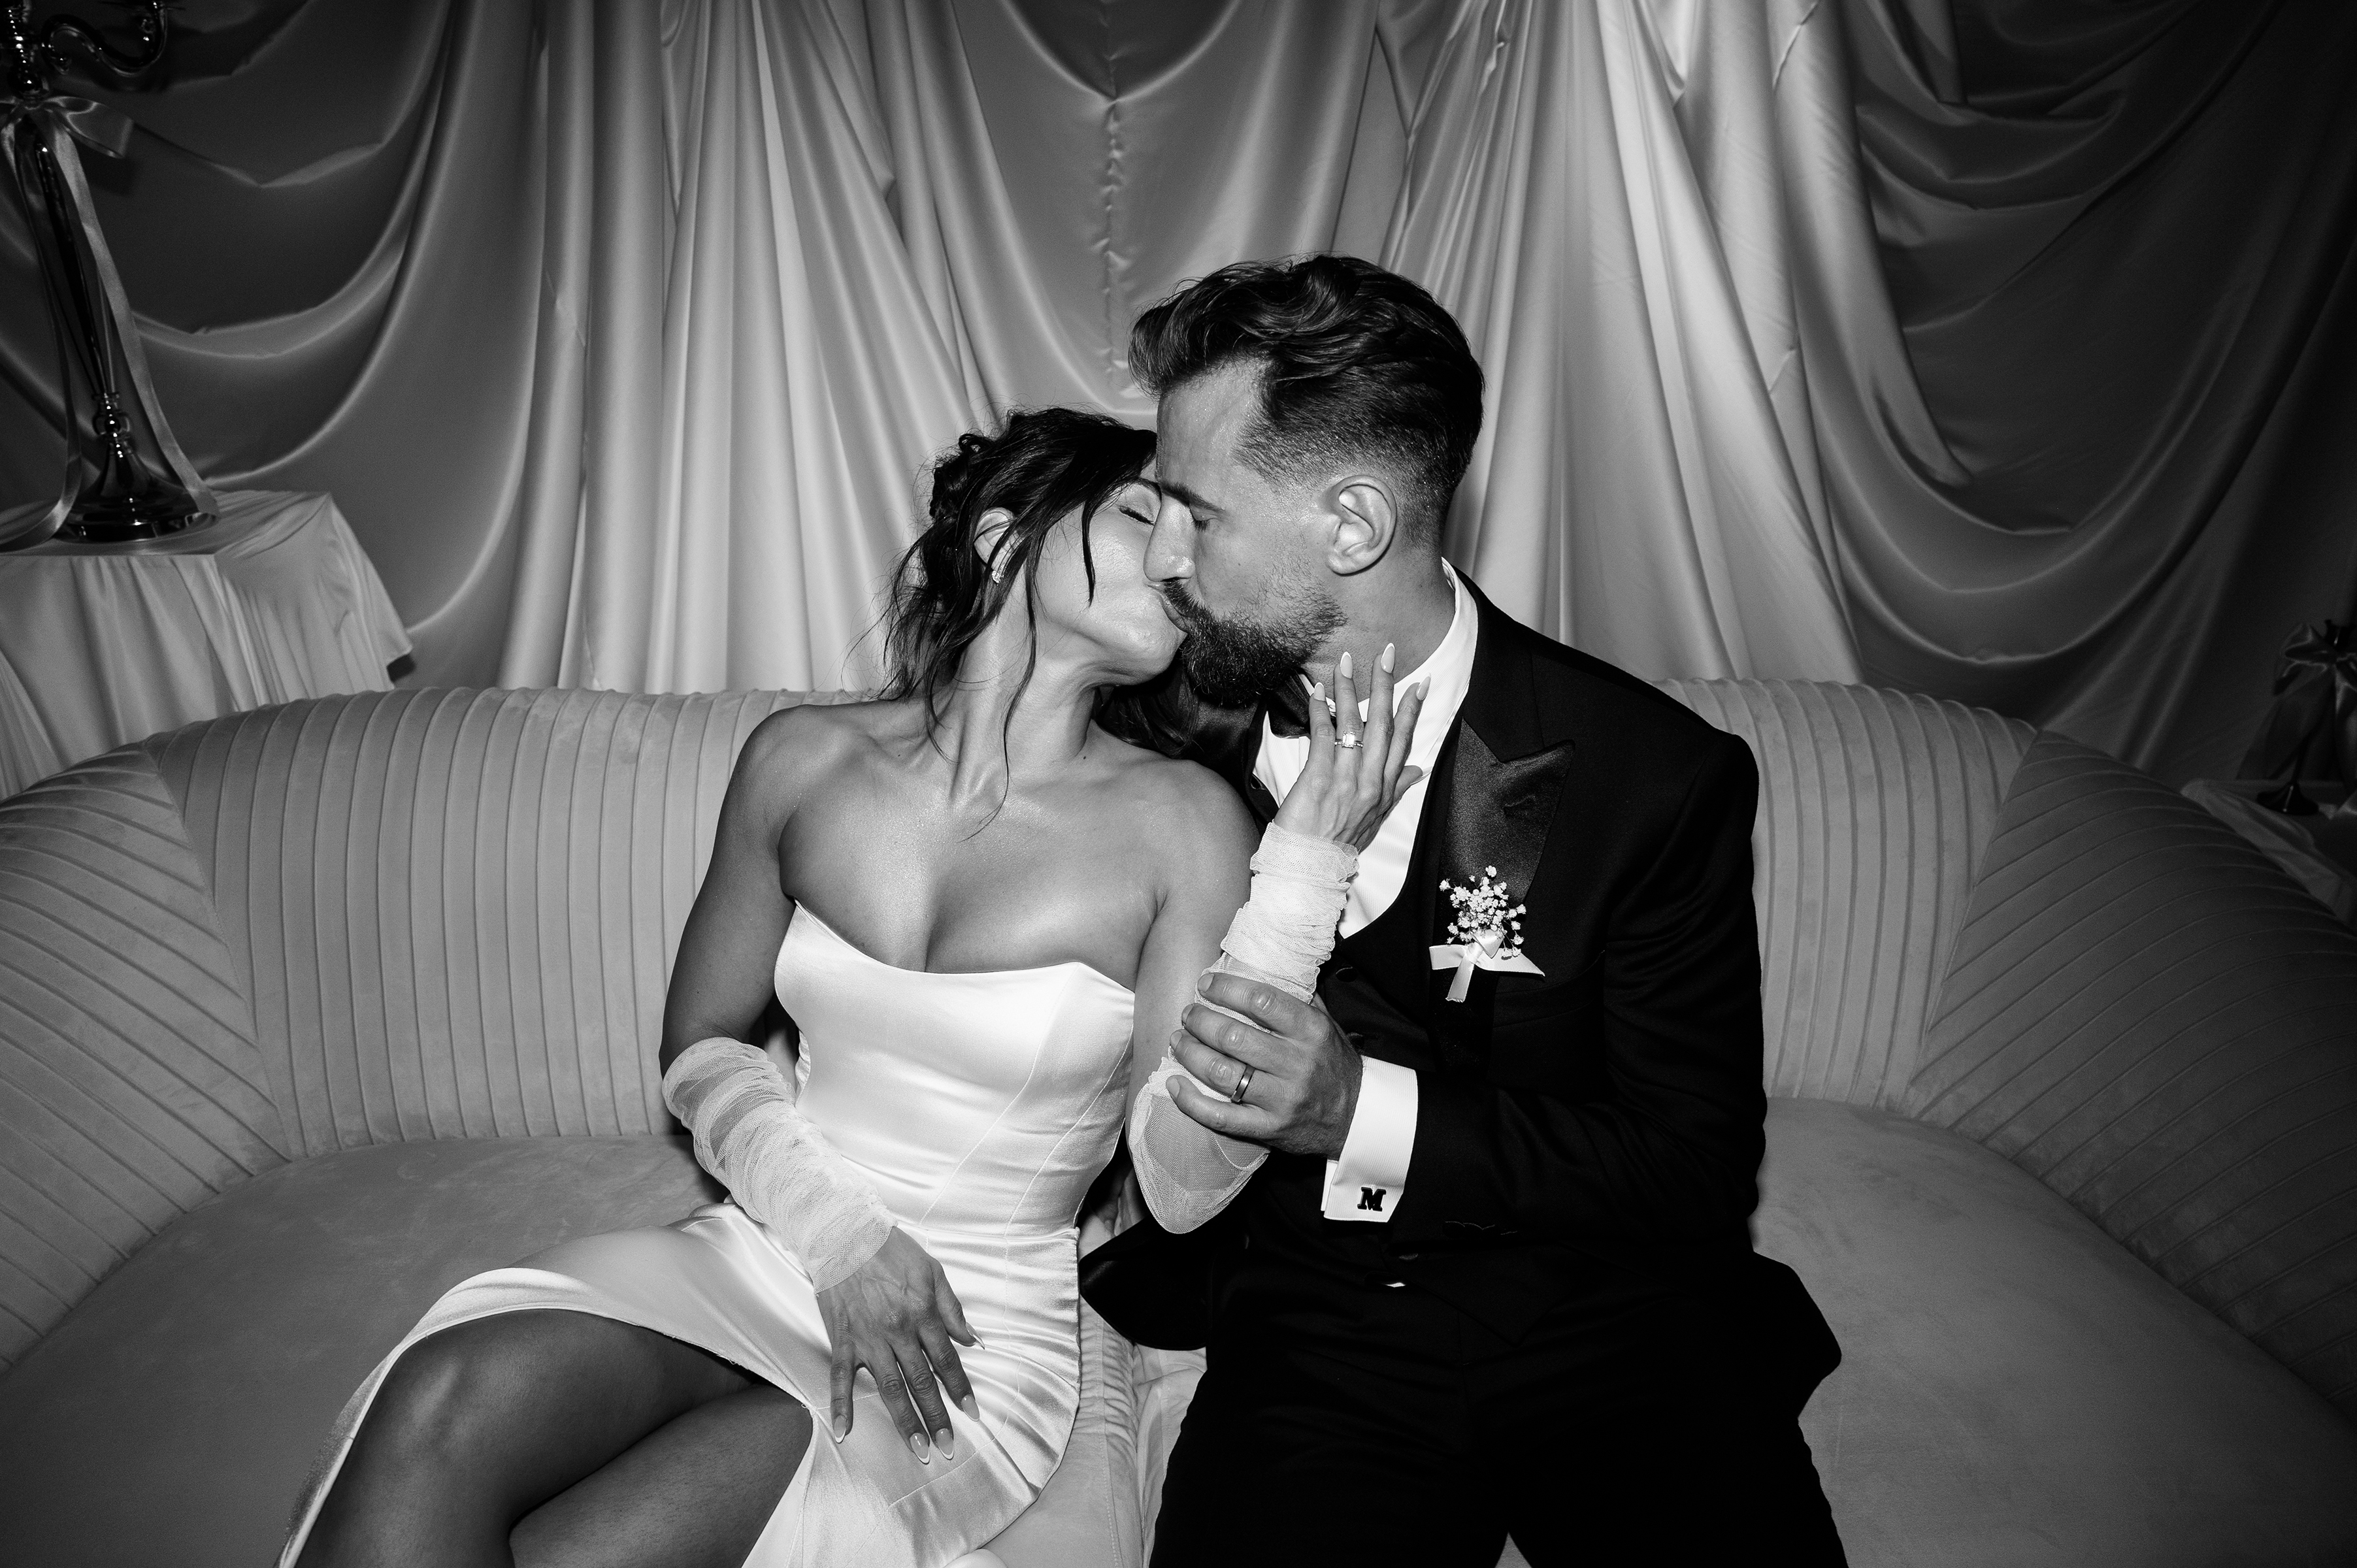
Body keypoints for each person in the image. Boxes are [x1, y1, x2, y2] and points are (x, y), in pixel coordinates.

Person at [280, 406, 1425, 1568]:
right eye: (1143, 514)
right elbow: (701, 1045)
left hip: (965, 1335)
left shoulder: (1185, 825)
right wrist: (838, 1238)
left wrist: (1306, 873)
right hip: (777, 1244)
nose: (1182, 559)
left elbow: (1181, 1185)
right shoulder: (802, 761)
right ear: (1000, 542)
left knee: (585, 1551)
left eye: (1194, 530)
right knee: (438, 1398)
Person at [1079, 255, 1848, 1566]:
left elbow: (1691, 1161)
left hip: (1609, 1321)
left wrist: (1353, 1108)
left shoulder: (1646, 777)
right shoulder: (1160, 740)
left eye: (1198, 517)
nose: (1165, 559)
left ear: (1351, 526)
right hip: (1321, 1331)